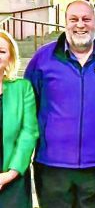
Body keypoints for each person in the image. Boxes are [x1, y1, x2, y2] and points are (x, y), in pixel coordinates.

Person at [24, 0, 95, 208]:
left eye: (86, 19)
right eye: (74, 19)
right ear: (65, 23)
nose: (80, 25)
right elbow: (29, 105)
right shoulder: (43, 58)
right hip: (52, 167)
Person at [0, 30, 39, 208]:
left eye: (2, 51)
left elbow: (29, 132)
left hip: (14, 174)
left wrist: (10, 174)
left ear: (10, 58)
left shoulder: (23, 89)